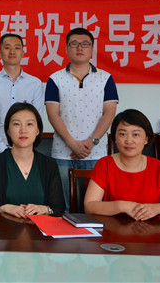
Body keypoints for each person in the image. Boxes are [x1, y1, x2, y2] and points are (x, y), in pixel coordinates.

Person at [45, 27, 118, 211]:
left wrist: (91, 142)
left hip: (96, 154)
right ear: (66, 48)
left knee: (95, 208)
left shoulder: (105, 78)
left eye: (85, 44)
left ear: (92, 49)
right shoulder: (55, 79)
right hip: (63, 153)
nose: (80, 48)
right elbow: (52, 114)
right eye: (74, 44)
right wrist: (72, 143)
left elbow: (109, 113)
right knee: (63, 207)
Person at [84, 109, 160, 220]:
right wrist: (121, 206)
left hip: (149, 228)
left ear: (146, 139)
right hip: (112, 228)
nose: (129, 141)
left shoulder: (157, 167)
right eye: (123, 134)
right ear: (115, 138)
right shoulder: (104, 164)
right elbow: (89, 206)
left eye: (136, 134)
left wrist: (157, 208)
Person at [0, 102, 65, 216]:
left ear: (37, 130)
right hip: (3, 226)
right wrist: (4, 208)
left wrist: (45, 209)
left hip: (39, 227)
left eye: (29, 124)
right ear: (8, 130)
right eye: (16, 124)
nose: (23, 130)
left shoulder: (49, 165)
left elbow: (59, 207)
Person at [0, 33, 44, 162]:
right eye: (7, 47)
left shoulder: (35, 83)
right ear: (0, 53)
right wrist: (1, 148)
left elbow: (37, 119)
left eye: (17, 47)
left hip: (26, 149)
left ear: (23, 53)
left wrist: (23, 146)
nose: (12, 52)